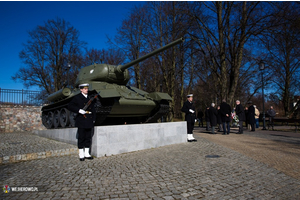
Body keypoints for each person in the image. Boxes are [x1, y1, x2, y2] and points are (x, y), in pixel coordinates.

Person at [68, 83, 96, 161]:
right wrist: (79, 110)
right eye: (85, 89)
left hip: (89, 119)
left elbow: (93, 110)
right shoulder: (77, 98)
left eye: (87, 88)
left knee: (88, 137)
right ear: (81, 89)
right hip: (81, 119)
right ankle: (81, 154)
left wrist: (94, 118)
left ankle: (87, 153)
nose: (86, 90)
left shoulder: (90, 98)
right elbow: (70, 106)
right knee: (81, 137)